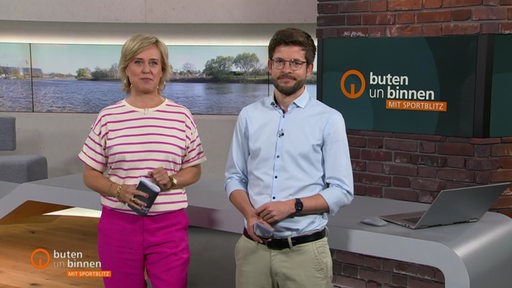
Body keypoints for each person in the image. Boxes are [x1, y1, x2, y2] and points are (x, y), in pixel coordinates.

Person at [224, 27, 354, 288]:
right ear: (270, 65)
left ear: (308, 69)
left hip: (304, 253)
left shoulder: (329, 119)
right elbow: (234, 178)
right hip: (253, 251)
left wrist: (291, 206)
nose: (287, 69)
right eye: (280, 61)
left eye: (296, 63)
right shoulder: (249, 116)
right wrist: (250, 215)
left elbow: (342, 190)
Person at [78, 34, 206, 288]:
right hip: (119, 224)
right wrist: (118, 190)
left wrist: (172, 179)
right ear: (127, 68)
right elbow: (90, 174)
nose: (146, 69)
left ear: (163, 70)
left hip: (169, 224)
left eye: (154, 63)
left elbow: (193, 169)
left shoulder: (182, 116)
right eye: (138, 62)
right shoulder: (108, 117)